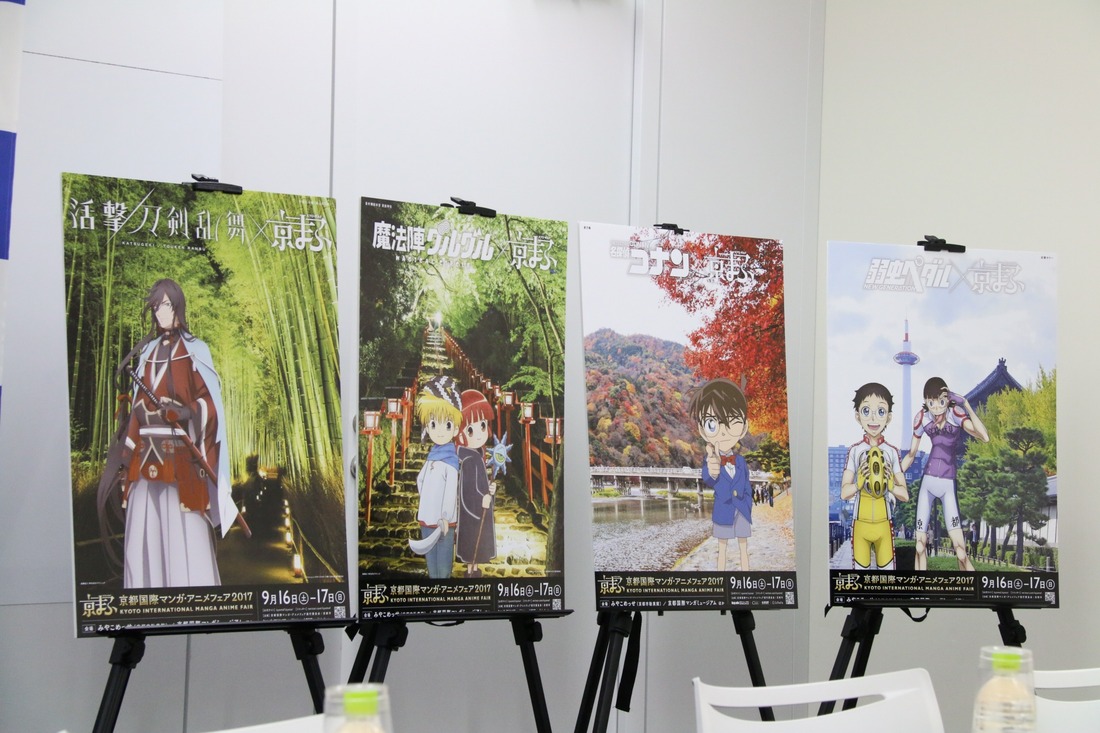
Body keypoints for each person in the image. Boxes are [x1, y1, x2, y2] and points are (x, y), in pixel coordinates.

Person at [114, 278, 237, 588]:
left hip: (181, 457)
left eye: (167, 305)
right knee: (143, 530)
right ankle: (145, 597)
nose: (161, 312)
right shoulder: (147, 352)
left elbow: (210, 404)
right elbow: (136, 410)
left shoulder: (196, 350)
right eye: (156, 306)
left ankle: (192, 597)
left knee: (183, 530)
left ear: (178, 307)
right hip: (145, 457)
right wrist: (126, 455)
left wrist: (186, 412)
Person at [900, 376, 989, 571]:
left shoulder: (955, 414)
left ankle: (973, 587)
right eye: (931, 403)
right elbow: (911, 455)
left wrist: (966, 404)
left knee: (961, 551)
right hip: (928, 482)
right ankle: (920, 587)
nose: (937, 408)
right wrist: (893, 476)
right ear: (926, 402)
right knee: (920, 545)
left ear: (948, 399)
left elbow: (984, 436)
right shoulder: (922, 418)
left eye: (941, 402)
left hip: (948, 483)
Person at [841, 383, 909, 570]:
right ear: (858, 416)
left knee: (887, 581)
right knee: (861, 580)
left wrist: (891, 486)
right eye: (866, 411)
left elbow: (905, 495)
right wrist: (858, 484)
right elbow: (844, 493)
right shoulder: (855, 451)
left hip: (884, 525)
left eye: (880, 411)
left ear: (889, 417)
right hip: (860, 524)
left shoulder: (892, 452)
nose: (873, 418)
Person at [688, 378, 752, 571]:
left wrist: (747, 505)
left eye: (731, 422)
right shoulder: (711, 460)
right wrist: (712, 468)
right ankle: (721, 578)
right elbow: (708, 477)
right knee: (722, 549)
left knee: (743, 548)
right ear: (703, 430)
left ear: (744, 427)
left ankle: (746, 577)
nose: (723, 432)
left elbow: (747, 485)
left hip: (742, 510)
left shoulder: (740, 461)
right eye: (713, 424)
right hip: (723, 511)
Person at [410, 375, 463, 578]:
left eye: (446, 425)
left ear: (455, 428)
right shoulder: (431, 458)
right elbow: (420, 480)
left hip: (443, 522)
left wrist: (445, 516)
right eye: (433, 424)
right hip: (427, 518)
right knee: (432, 566)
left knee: (443, 567)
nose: (440, 431)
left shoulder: (451, 462)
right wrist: (427, 499)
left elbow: (450, 492)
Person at [456, 389, 497, 578]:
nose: (479, 434)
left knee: (477, 548)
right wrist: (482, 500)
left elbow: (481, 485)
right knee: (472, 545)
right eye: (471, 430)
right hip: (472, 513)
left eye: (482, 425)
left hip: (479, 510)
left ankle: (474, 570)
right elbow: (467, 491)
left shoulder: (477, 456)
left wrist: (490, 491)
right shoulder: (469, 460)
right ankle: (470, 572)